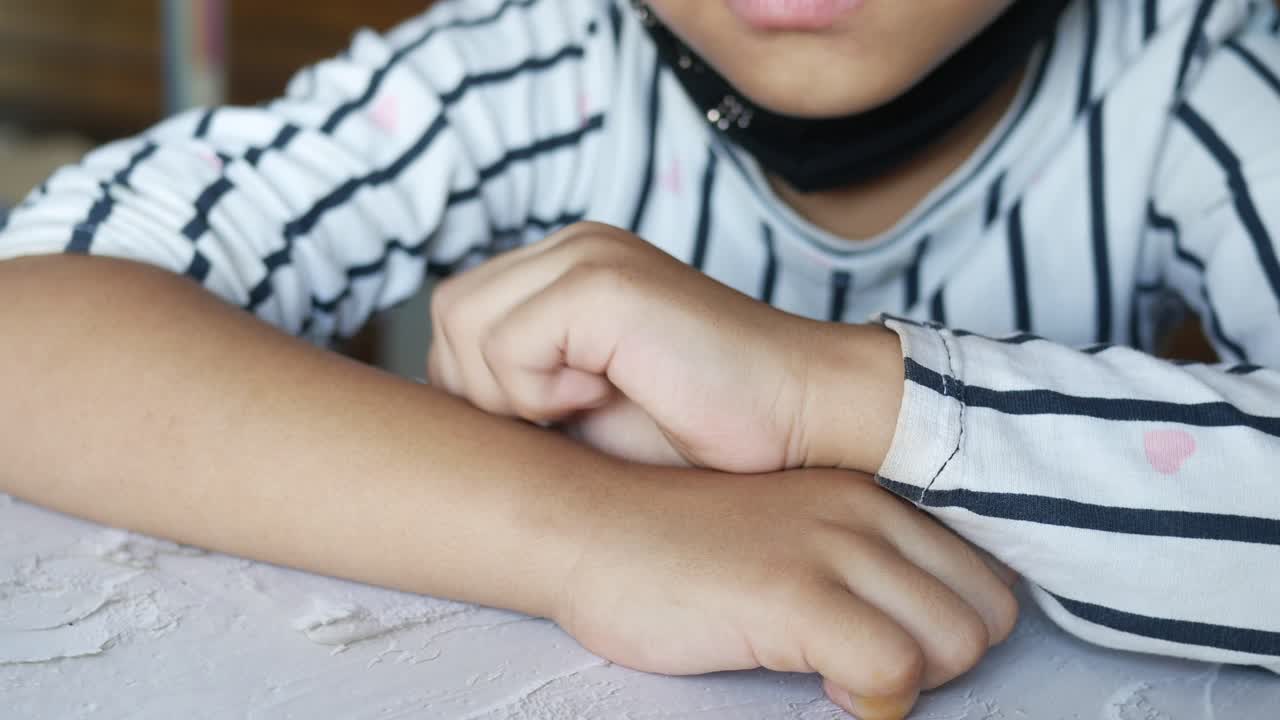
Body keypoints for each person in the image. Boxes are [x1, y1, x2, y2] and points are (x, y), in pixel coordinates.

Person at [1, 0, 1277, 717]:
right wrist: (588, 530)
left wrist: (828, 394)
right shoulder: (533, 57)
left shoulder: (1194, 65)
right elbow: (34, 317)